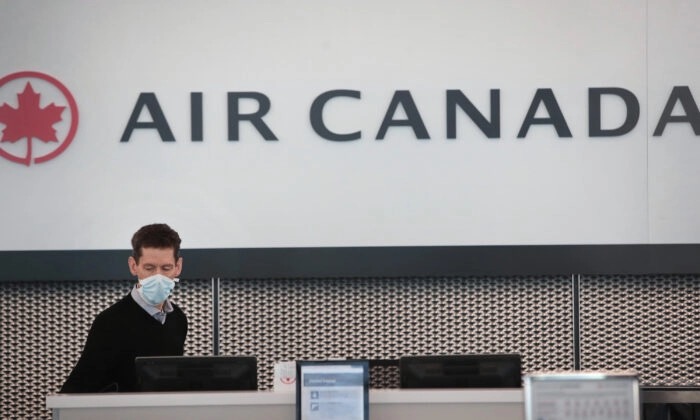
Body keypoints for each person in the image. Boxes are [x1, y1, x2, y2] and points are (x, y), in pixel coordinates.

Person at [60, 223, 188, 393]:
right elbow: (76, 390)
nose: (158, 276)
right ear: (133, 266)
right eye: (149, 268)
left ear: (178, 267)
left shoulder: (178, 319)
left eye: (166, 268)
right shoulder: (110, 322)